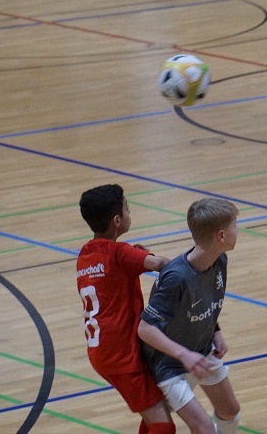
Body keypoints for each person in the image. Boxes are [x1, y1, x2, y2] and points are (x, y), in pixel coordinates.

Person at [76, 184, 176, 434]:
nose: (131, 212)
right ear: (117, 220)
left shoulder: (86, 254)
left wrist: (134, 254)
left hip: (102, 349)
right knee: (164, 426)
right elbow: (160, 264)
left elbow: (116, 269)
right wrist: (191, 267)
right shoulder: (120, 253)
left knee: (156, 413)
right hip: (122, 355)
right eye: (128, 208)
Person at [138, 198, 242, 434]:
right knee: (204, 429)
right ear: (221, 236)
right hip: (169, 365)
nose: (238, 231)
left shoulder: (219, 260)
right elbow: (145, 329)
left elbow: (203, 302)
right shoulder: (177, 277)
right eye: (235, 226)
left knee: (230, 411)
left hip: (201, 353)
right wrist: (184, 355)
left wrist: (216, 331)